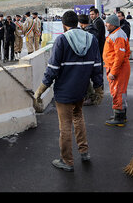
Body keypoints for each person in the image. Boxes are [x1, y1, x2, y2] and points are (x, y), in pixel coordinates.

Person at [34, 11, 103, 172]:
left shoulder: (62, 40)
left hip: (64, 93)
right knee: (78, 118)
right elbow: (97, 67)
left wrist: (40, 91)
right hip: (81, 91)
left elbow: (52, 69)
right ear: (78, 22)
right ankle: (84, 152)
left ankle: (67, 160)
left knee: (65, 126)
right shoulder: (91, 39)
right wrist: (99, 89)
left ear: (64, 25)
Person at [103, 14, 131, 126]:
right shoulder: (117, 34)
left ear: (113, 24)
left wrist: (113, 72)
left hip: (117, 69)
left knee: (117, 92)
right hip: (117, 67)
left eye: (107, 23)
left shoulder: (117, 35)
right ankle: (120, 115)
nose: (106, 24)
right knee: (120, 91)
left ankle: (118, 117)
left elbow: (119, 56)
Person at [78, 14, 104, 106]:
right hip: (94, 58)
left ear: (81, 23)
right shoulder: (93, 30)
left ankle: (91, 97)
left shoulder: (89, 33)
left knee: (89, 78)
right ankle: (92, 96)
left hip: (91, 58)